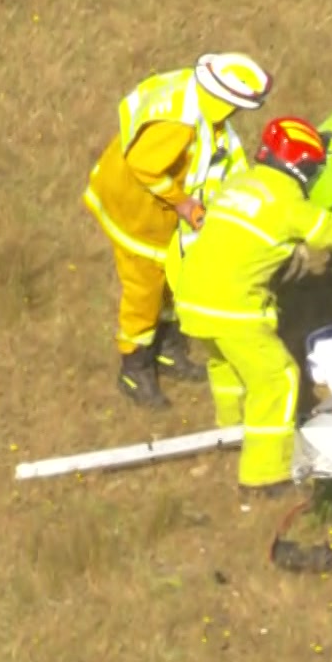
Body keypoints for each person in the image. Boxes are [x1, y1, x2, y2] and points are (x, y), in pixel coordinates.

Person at [164, 116, 332, 500]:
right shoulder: (287, 205)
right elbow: (330, 229)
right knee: (277, 378)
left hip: (191, 299)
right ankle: (263, 476)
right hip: (231, 308)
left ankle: (230, 432)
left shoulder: (238, 184)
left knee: (225, 365)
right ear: (302, 167)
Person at [83, 53, 273, 408]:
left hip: (151, 207)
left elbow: (221, 156)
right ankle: (134, 365)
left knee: (173, 276)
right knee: (145, 290)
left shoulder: (193, 96)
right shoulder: (180, 124)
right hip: (137, 213)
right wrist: (183, 203)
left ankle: (167, 347)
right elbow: (143, 165)